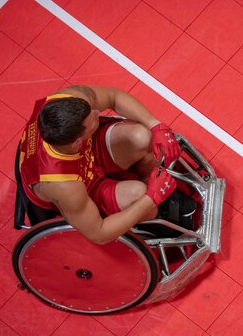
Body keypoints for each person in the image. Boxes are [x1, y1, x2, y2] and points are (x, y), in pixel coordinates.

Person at [18, 85, 180, 245]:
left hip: (90, 154)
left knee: (142, 136)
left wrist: (155, 125)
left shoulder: (69, 99)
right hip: (86, 188)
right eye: (94, 119)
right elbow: (99, 233)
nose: (97, 112)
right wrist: (150, 198)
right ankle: (156, 213)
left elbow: (114, 97)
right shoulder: (63, 186)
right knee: (139, 195)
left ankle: (155, 182)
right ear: (76, 143)